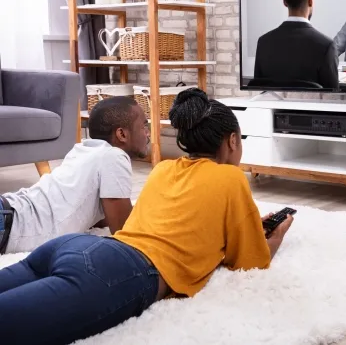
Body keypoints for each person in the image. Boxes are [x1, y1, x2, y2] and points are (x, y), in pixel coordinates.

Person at [0, 88, 294, 345]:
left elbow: (188, 221)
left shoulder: (164, 169)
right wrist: (272, 241)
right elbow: (249, 261)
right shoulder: (232, 178)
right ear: (232, 141)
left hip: (71, 246)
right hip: (119, 271)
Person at [0, 96, 149, 254]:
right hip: (9, 223)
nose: (147, 133)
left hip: (8, 211)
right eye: (144, 126)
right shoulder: (114, 156)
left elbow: (99, 217)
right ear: (121, 134)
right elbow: (124, 232)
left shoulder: (85, 149)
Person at [253, 0, 339, 90]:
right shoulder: (326, 46)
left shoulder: (263, 42)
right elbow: (334, 100)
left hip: (272, 110)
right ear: (310, 0)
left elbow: (259, 92)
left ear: (285, 2)